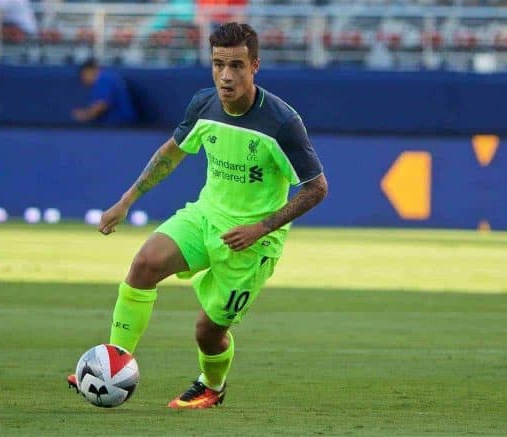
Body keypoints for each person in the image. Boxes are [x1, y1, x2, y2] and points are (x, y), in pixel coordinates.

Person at [67, 22, 328, 409]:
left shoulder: (281, 123)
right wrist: (127, 200)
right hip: (205, 216)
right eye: (218, 64)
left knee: (208, 332)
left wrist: (261, 227)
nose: (226, 75)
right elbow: (172, 152)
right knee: (144, 265)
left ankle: (213, 385)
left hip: (251, 243)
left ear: (254, 66)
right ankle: (112, 364)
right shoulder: (204, 104)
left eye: (237, 65)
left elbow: (316, 187)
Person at [72, 58, 138, 126]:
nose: (83, 79)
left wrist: (85, 114)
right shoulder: (107, 77)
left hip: (120, 126)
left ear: (89, 71)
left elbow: (102, 105)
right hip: (115, 126)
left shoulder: (104, 78)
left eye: (83, 75)